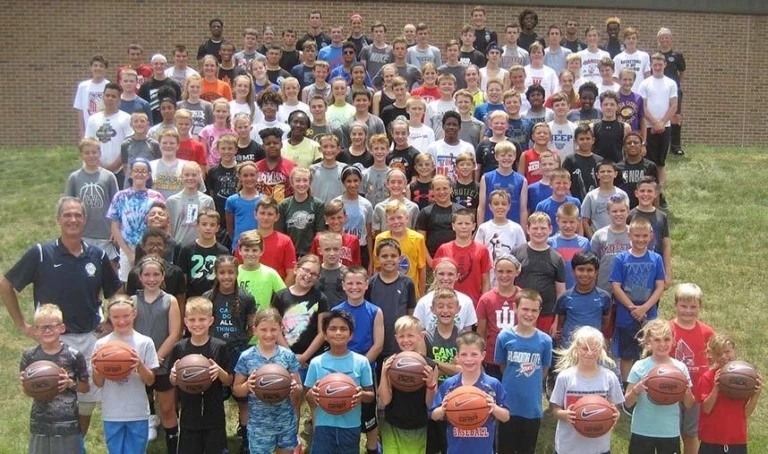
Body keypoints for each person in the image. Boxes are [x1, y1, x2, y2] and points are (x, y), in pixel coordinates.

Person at [1, 197, 121, 443]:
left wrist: (110, 321)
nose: (73, 219)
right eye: (67, 215)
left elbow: (117, 292)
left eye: (78, 215)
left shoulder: (97, 256)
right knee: (52, 399)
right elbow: (6, 284)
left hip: (89, 339)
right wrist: (22, 325)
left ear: (85, 220)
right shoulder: (41, 253)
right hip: (54, 343)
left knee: (86, 401)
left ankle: (75, 446)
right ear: (58, 219)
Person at [201, 255, 256, 448]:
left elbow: (251, 327)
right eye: (222, 272)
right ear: (216, 274)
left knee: (242, 398)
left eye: (230, 272)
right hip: (215, 353)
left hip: (238, 352)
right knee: (215, 398)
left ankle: (246, 439)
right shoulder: (208, 297)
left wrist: (240, 343)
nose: (226, 276)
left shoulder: (246, 297)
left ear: (237, 273)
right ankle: (217, 437)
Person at [271, 255, 329, 440]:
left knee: (314, 400)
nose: (308, 276)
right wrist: (291, 355)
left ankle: (318, 439)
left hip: (311, 360)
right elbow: (275, 328)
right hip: (285, 358)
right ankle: (291, 440)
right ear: (296, 269)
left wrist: (304, 356)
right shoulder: (281, 296)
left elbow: (322, 332)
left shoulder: (320, 298)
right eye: (306, 270)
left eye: (314, 274)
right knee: (292, 399)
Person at [19, 304, 89, 454]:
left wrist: (71, 384)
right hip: (39, 423)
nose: (47, 330)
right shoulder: (29, 356)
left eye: (52, 326)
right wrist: (25, 385)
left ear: (62, 328)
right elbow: (27, 391)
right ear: (36, 331)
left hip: (67, 423)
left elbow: (85, 387)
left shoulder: (74, 355)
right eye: (42, 327)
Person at [93, 296, 159, 454]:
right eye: (116, 317)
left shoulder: (145, 342)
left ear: (134, 313)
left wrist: (140, 365)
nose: (121, 321)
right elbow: (98, 383)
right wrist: (98, 368)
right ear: (109, 317)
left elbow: (150, 381)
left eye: (126, 316)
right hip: (112, 412)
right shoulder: (101, 345)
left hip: (137, 411)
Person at [304, 309, 375, 454]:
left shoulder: (361, 362)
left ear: (351, 335)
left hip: (350, 425)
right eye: (333, 329)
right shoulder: (316, 363)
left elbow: (371, 395)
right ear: (325, 335)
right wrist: (314, 393)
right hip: (323, 425)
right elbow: (308, 395)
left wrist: (361, 396)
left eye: (343, 329)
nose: (338, 333)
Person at [233, 308, 302, 454]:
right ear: (254, 330)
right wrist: (247, 385)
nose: (268, 334)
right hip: (259, 424)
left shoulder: (287, 356)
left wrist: (294, 387)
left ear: (281, 330)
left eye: (273, 329)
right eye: (263, 329)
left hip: (285, 421)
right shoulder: (246, 357)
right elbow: (236, 389)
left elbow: (299, 389)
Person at [169, 297, 232, 454]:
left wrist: (219, 371)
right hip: (189, 416)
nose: (197, 324)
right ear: (186, 322)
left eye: (202, 319)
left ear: (211, 321)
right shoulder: (180, 348)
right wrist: (173, 375)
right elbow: (173, 381)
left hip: (214, 414)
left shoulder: (220, 347)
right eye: (192, 320)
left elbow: (230, 380)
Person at [332, 267, 385, 454]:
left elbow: (378, 344)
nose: (354, 287)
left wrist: (359, 366)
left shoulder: (375, 311)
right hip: (339, 369)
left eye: (359, 283)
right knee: (342, 410)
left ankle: (372, 448)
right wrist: (346, 365)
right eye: (350, 283)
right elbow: (332, 341)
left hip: (365, 369)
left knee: (369, 416)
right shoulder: (336, 311)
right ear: (343, 286)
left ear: (366, 285)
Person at [131, 256, 182, 449]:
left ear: (162, 277)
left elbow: (175, 333)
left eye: (156, 274)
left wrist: (157, 357)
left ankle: (173, 446)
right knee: (139, 407)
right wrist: (141, 360)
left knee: (167, 408)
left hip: (163, 361)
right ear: (140, 277)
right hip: (138, 363)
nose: (151, 279)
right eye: (147, 275)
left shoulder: (170, 301)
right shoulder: (133, 301)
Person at [624, 319, 695, 452]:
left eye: (666, 339)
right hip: (642, 430)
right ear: (648, 342)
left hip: (669, 431)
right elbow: (627, 403)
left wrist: (685, 391)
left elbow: (689, 404)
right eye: (657, 340)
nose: (662, 344)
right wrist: (637, 389)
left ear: (674, 340)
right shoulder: (640, 366)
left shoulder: (680, 368)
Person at [494, 289, 552, 454]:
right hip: (508, 405)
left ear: (539, 312)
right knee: (505, 448)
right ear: (515, 308)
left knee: (527, 449)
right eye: (525, 309)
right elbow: (502, 365)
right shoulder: (504, 337)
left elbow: (544, 370)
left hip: (532, 407)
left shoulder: (545, 341)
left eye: (534, 310)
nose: (529, 314)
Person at [550, 326, 623, 454]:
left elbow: (615, 409)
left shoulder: (609, 378)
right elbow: (555, 410)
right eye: (585, 348)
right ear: (577, 349)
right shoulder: (565, 377)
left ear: (601, 350)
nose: (590, 353)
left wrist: (615, 416)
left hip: (599, 448)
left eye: (595, 349)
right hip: (569, 447)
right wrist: (565, 415)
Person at [610, 217, 666, 384]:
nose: (640, 239)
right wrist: (632, 307)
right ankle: (627, 386)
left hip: (649, 315)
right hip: (626, 314)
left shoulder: (656, 259)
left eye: (644, 236)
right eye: (637, 236)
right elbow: (616, 286)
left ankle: (650, 383)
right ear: (630, 235)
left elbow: (660, 286)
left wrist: (645, 308)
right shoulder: (621, 259)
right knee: (627, 354)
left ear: (650, 236)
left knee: (649, 351)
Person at [378, 315, 437, 453]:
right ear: (396, 337)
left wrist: (430, 385)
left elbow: (429, 404)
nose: (406, 340)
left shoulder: (430, 365)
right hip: (392, 424)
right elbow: (385, 400)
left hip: (417, 426)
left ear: (421, 336)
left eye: (410, 335)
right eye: (401, 336)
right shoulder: (389, 362)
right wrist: (384, 373)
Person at [669, 283, 715, 454]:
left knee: (691, 434)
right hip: (670, 391)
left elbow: (714, 361)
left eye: (693, 306)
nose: (688, 311)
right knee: (671, 434)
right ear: (675, 305)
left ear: (700, 307)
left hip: (696, 393)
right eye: (683, 306)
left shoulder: (707, 332)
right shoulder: (668, 330)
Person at [698, 333, 763, 454]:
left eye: (727, 351)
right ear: (712, 355)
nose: (724, 356)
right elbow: (706, 409)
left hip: (736, 440)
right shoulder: (707, 377)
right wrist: (716, 388)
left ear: (734, 350)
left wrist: (756, 395)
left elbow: (745, 413)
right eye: (718, 354)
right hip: (711, 440)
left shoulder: (744, 380)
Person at [65, 137, 120, 263]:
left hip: (105, 232)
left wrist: (115, 229)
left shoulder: (108, 176)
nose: (91, 155)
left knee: (110, 266)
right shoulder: (75, 177)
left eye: (94, 152)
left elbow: (116, 205)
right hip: (83, 232)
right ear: (81, 155)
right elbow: (67, 205)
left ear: (99, 153)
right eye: (87, 153)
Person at [512, 212, 566, 337]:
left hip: (546, 313)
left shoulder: (556, 258)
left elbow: (560, 292)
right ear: (527, 229)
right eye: (535, 228)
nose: (539, 232)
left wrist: (557, 321)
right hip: (521, 311)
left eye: (543, 228)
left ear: (550, 230)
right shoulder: (517, 252)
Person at [365, 238, 417, 360]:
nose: (389, 259)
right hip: (375, 344)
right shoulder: (371, 283)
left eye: (393, 256)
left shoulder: (407, 283)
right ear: (377, 258)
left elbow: (410, 314)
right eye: (384, 256)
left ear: (400, 258)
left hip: (399, 345)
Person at [639, 53, 678, 208]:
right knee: (649, 163)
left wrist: (662, 122)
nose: (657, 66)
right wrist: (654, 122)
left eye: (660, 63)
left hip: (665, 127)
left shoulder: (671, 83)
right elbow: (643, 106)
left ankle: (659, 194)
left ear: (664, 65)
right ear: (651, 65)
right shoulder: (645, 83)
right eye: (654, 64)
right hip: (648, 127)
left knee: (660, 163)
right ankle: (647, 193)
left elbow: (674, 105)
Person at [476, 255, 521, 379]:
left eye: (509, 271)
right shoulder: (486, 299)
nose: (504, 275)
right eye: (500, 271)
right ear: (494, 272)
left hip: (517, 357)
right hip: (492, 358)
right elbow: (481, 332)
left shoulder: (523, 297)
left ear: (517, 272)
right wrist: (480, 358)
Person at [434, 209, 492, 305]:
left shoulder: (482, 250)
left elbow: (486, 281)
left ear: (473, 226)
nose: (463, 227)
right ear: (453, 226)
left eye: (467, 223)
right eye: (460, 223)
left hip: (474, 303)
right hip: (447, 304)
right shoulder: (444, 249)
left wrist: (482, 304)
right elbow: (437, 279)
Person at [555, 251, 611, 348]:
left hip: (593, 348)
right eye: (581, 269)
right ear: (573, 272)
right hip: (570, 348)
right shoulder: (565, 297)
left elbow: (605, 322)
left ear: (596, 272)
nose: (585, 274)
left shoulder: (604, 297)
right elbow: (561, 323)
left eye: (589, 270)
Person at [373, 200, 427, 297]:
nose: (396, 222)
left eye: (399, 218)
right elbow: (377, 267)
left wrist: (421, 294)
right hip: (387, 291)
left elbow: (422, 268)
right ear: (386, 221)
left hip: (410, 292)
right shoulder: (380, 239)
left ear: (407, 218)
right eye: (392, 219)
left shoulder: (417, 239)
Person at [627, 177, 672, 288]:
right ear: (636, 193)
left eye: (649, 191)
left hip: (655, 265)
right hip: (634, 265)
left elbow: (666, 245)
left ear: (656, 194)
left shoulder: (662, 216)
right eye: (642, 191)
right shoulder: (630, 215)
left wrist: (668, 273)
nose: (645, 194)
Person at [412, 258, 478, 333]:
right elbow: (418, 331)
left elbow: (468, 333)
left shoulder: (466, 301)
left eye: (450, 274)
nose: (446, 278)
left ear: (457, 276)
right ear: (434, 275)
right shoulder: (424, 302)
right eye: (441, 274)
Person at [86, 82, 133, 179]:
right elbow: (88, 144)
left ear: (119, 99)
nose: (110, 98)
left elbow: (129, 145)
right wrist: (98, 165)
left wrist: (115, 165)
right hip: (97, 169)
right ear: (103, 97)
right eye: (107, 95)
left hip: (120, 170)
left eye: (113, 96)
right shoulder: (93, 119)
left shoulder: (126, 118)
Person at [178, 209, 229, 298]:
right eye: (204, 224)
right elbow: (183, 279)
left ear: (217, 228)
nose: (208, 228)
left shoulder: (223, 252)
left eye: (212, 225)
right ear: (197, 226)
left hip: (215, 298)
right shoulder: (187, 249)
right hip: (192, 299)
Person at [477, 141, 528, 226]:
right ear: (496, 157)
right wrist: (480, 228)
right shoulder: (486, 178)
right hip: (491, 226)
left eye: (510, 155)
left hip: (513, 227)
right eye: (503, 155)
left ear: (515, 157)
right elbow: (481, 207)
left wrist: (523, 232)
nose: (506, 158)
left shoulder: (522, 180)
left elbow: (523, 210)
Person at [590, 193, 632, 296]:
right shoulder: (599, 236)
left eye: (622, 210)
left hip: (630, 290)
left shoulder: (634, 234)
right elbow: (592, 264)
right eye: (614, 211)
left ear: (628, 211)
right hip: (604, 290)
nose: (618, 214)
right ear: (608, 213)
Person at [416, 175, 464, 263]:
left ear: (451, 189)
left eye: (445, 188)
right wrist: (430, 262)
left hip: (457, 260)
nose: (442, 192)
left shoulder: (461, 211)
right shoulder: (425, 212)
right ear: (432, 191)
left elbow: (466, 237)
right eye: (438, 189)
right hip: (433, 260)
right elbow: (420, 241)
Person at [166, 161, 214, 246]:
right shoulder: (172, 201)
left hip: (200, 246)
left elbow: (212, 225)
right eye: (187, 175)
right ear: (181, 177)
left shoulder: (207, 200)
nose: (190, 178)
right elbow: (168, 227)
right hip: (178, 246)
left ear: (200, 177)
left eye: (194, 175)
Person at [334, 168, 373, 267]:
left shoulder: (366, 204)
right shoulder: (336, 203)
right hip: (342, 248)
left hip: (361, 248)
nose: (352, 184)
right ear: (343, 182)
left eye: (355, 181)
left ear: (360, 181)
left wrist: (371, 261)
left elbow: (368, 234)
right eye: (348, 181)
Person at [237, 230, 285, 311]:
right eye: (246, 250)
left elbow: (284, 297)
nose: (250, 254)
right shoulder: (234, 273)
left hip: (263, 320)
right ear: (239, 251)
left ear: (262, 251)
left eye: (254, 250)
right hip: (239, 320)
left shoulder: (270, 273)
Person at [547, 202, 591, 289]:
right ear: (557, 221)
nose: (568, 226)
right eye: (564, 222)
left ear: (578, 221)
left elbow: (589, 268)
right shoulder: (550, 242)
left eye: (572, 222)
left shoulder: (584, 243)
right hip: (555, 289)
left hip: (578, 289)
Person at [657, 27, 686, 156]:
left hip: (674, 91)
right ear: (659, 40)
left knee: (676, 116)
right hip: (659, 91)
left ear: (671, 40)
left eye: (667, 37)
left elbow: (682, 72)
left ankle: (675, 146)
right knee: (661, 116)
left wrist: (676, 84)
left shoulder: (677, 56)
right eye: (662, 37)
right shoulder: (656, 56)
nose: (665, 40)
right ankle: (660, 144)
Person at [582, 160, 628, 236]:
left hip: (619, 239)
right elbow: (585, 221)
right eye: (602, 171)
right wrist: (593, 238)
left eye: (609, 171)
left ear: (615, 174)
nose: (606, 174)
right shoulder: (591, 196)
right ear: (597, 175)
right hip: (599, 240)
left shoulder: (622, 195)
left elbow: (626, 217)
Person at [255, 128, 297, 203]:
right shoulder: (255, 167)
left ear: (281, 144)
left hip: (284, 210)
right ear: (263, 146)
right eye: (268, 144)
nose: (272, 146)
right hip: (261, 210)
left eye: (275, 143)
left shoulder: (292, 167)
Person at [535, 169, 583, 236]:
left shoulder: (575, 202)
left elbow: (579, 227)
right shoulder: (542, 206)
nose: (561, 186)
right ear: (550, 184)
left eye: (565, 183)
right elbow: (538, 229)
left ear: (570, 184)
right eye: (558, 183)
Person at [138, 54, 182, 125]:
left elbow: (178, 104)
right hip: (152, 123)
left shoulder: (174, 85)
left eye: (162, 64)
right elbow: (143, 107)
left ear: (166, 65)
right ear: (152, 65)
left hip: (171, 123)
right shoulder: (145, 86)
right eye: (156, 64)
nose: (159, 66)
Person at [562, 124, 602, 201]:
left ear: (593, 140)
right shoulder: (570, 160)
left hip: (595, 201)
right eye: (581, 139)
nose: (585, 141)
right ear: (575, 141)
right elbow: (564, 181)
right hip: (575, 201)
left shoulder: (599, 160)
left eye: (588, 138)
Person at [74, 54, 109, 139]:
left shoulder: (109, 85)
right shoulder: (83, 86)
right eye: (95, 66)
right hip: (89, 127)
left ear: (105, 69)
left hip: (105, 128)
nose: (98, 68)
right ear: (91, 68)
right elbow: (80, 110)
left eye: (101, 66)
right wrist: (82, 131)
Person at [592, 91, 631, 163]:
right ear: (601, 106)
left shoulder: (625, 127)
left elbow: (627, 151)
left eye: (612, 104)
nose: (608, 107)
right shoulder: (593, 127)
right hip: (598, 167)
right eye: (605, 104)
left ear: (617, 106)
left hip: (618, 166)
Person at [315, 232, 347, 307]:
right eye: (327, 249)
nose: (332, 253)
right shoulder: (315, 272)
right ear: (320, 251)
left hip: (341, 316)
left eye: (335, 249)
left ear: (342, 250)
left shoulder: (347, 273)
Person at [178, 74, 214, 139]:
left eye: (198, 87)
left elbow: (210, 127)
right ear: (187, 88)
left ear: (201, 88)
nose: (195, 89)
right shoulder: (179, 106)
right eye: (192, 87)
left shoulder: (208, 106)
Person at [359, 21, 393, 87]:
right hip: (369, 85)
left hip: (386, 85)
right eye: (376, 31)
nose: (378, 34)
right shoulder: (366, 49)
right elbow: (362, 70)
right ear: (372, 33)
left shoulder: (391, 50)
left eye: (381, 31)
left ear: (385, 33)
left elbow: (393, 69)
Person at [361, 133, 391, 208]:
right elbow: (361, 197)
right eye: (376, 148)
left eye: (382, 148)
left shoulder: (392, 174)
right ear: (371, 150)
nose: (379, 152)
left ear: (388, 150)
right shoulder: (365, 174)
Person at [526, 151, 558, 215]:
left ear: (556, 165)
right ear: (540, 166)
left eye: (550, 164)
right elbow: (528, 210)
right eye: (544, 164)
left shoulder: (561, 187)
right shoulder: (531, 189)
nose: (547, 167)